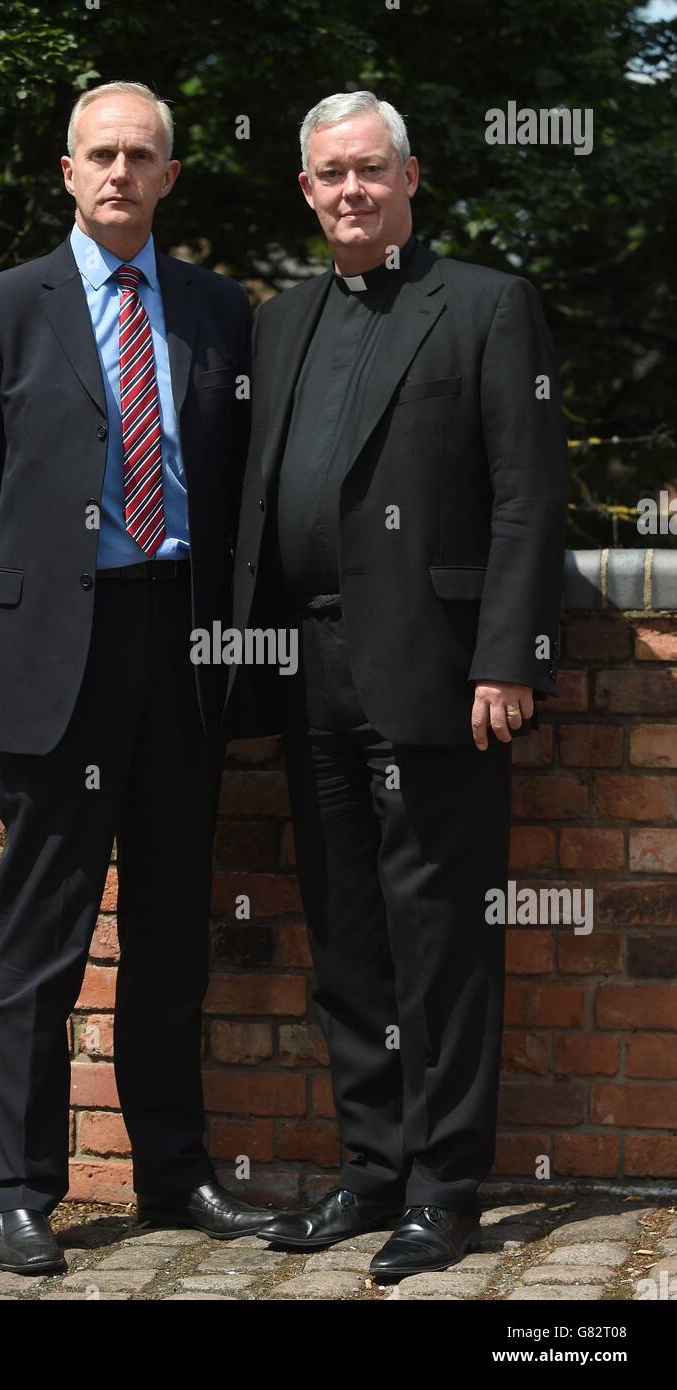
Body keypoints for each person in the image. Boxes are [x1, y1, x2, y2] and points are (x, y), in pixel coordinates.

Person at [0, 80, 274, 1274]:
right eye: (98, 155)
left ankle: (174, 1173)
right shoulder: (0, 307)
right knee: (43, 939)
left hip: (180, 648)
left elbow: (240, 497)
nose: (119, 172)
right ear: (66, 174)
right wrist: (23, 623)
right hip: (59, 659)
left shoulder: (220, 311)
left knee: (171, 932)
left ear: (170, 177)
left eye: (140, 156)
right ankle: (21, 1187)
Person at [224, 90, 568, 1279]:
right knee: (345, 942)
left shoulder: (483, 305)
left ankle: (445, 1187)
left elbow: (527, 493)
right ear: (307, 191)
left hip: (437, 670)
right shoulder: (279, 323)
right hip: (303, 667)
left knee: (441, 942)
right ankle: (370, 1170)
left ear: (410, 176)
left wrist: (505, 655)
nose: (350, 191)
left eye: (369, 171)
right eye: (329, 176)